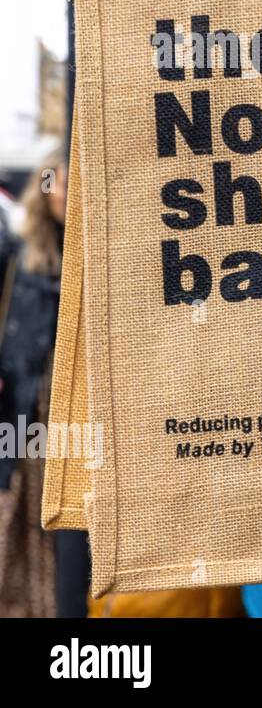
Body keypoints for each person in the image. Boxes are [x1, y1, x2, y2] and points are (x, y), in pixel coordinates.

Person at [0, 149, 85, 617]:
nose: (66, 195)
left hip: (79, 410)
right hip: (33, 408)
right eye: (61, 185)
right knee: (34, 518)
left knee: (76, 524)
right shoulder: (21, 255)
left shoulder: (95, 249)